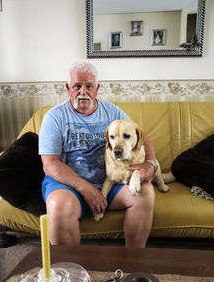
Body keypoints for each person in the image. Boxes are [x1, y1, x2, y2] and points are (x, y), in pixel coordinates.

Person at [39, 61, 156, 247]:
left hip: (110, 184)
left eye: (89, 86)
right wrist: (87, 189)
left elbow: (144, 138)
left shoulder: (112, 112)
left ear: (97, 88)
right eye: (77, 86)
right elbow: (50, 164)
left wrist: (150, 164)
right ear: (68, 88)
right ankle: (71, 270)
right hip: (67, 186)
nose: (83, 92)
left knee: (145, 192)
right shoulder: (54, 117)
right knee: (59, 206)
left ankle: (134, 260)